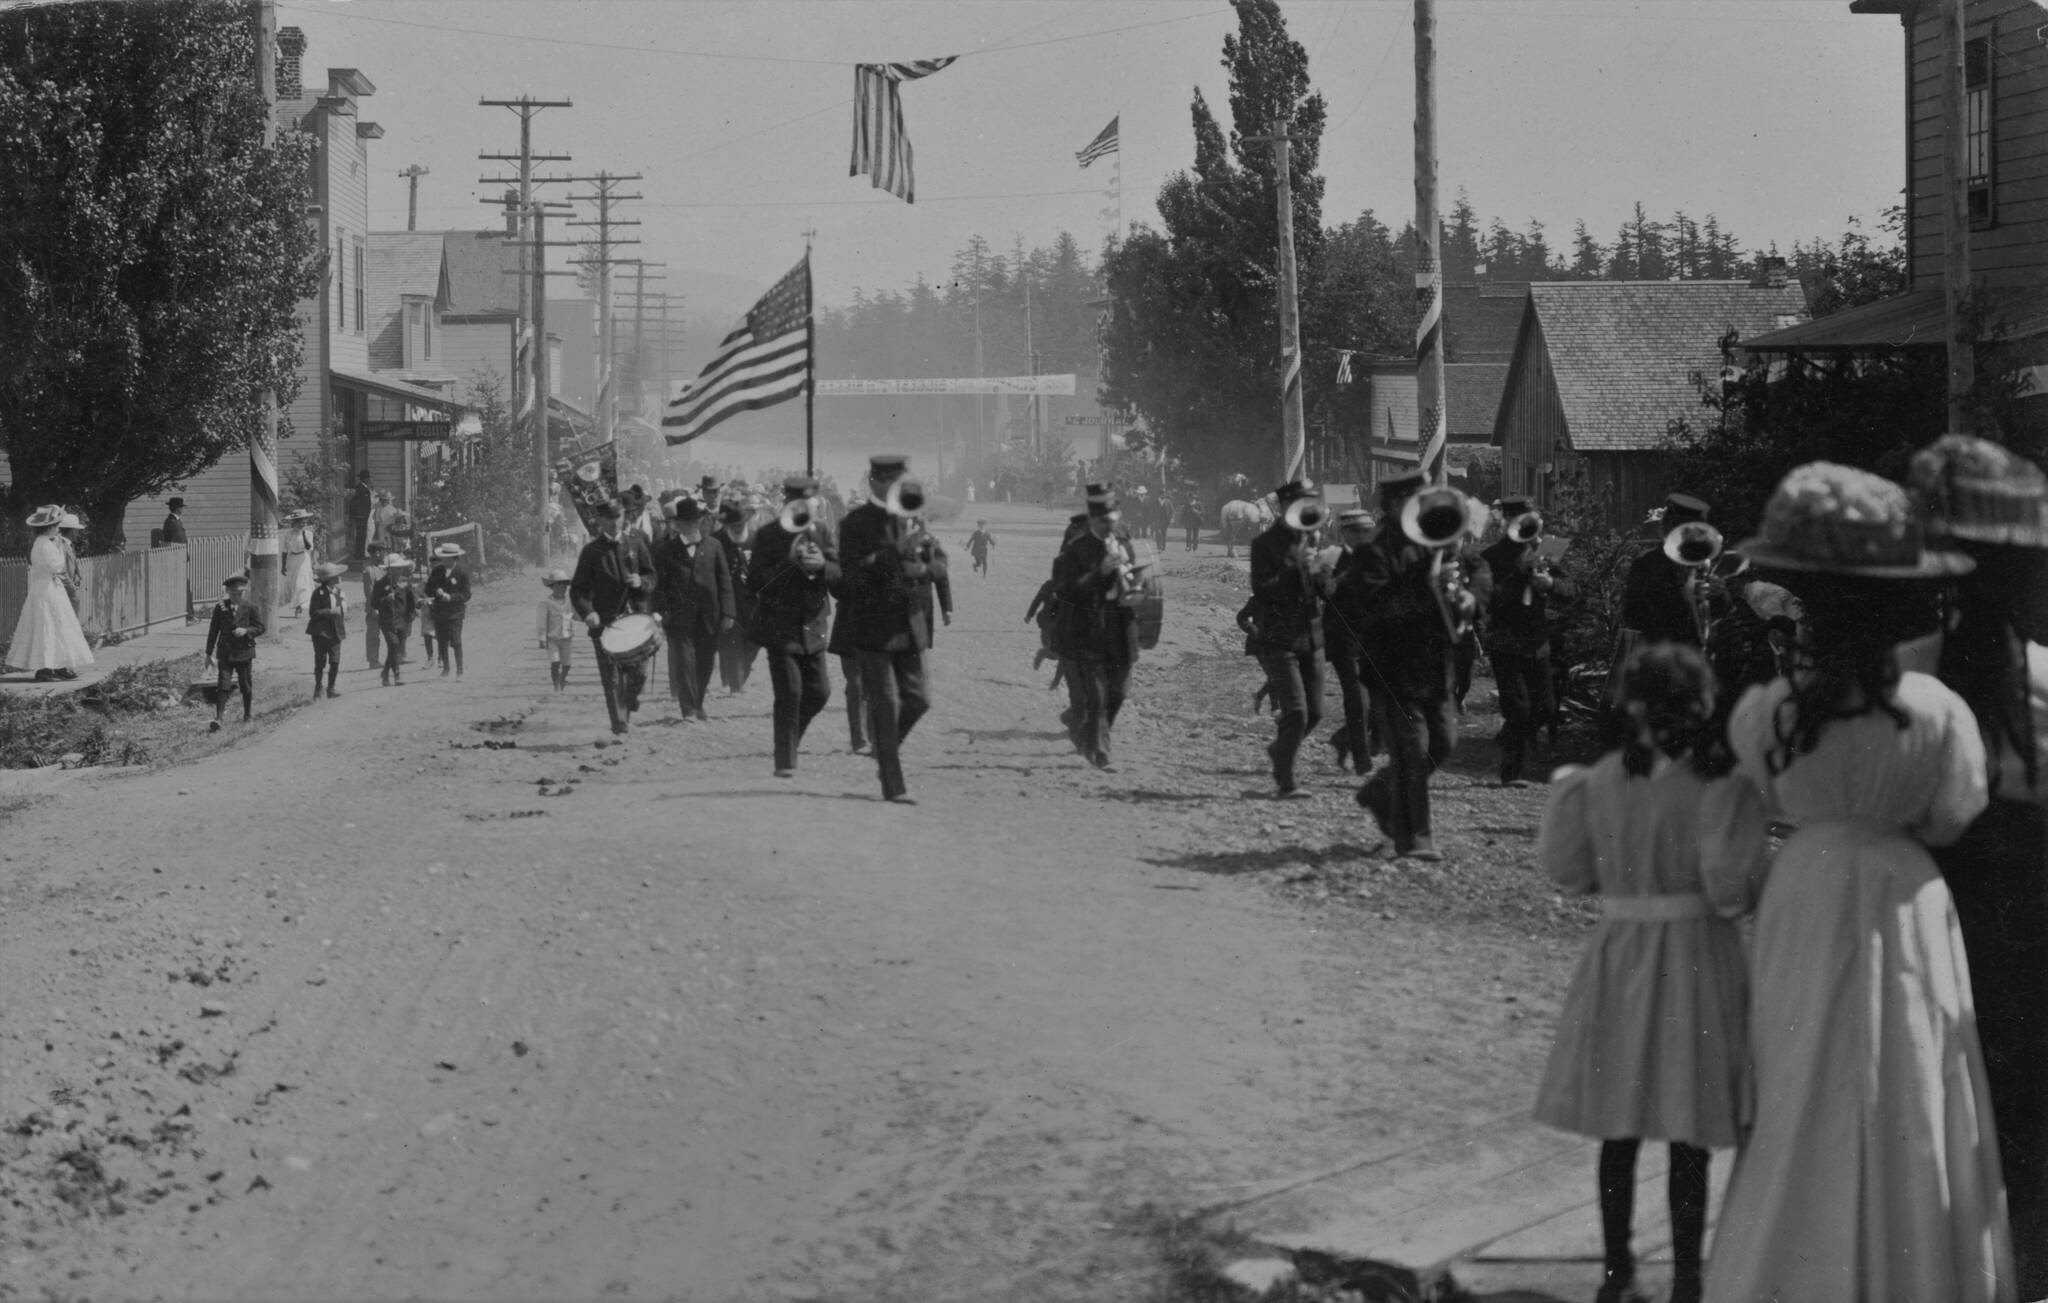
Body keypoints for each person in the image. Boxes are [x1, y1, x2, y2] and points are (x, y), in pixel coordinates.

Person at [1705, 461, 2010, 1303]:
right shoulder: (1934, 709)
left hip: (1806, 893)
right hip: (1904, 894)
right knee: (1908, 1073)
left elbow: (1739, 824)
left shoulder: (1769, 709)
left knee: (1805, 1080)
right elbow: (1954, 813)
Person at [1534, 643, 1767, 1303]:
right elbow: (1729, 891)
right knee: (1688, 1122)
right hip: (1694, 955)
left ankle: (1617, 1270)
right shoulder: (1719, 787)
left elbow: (1568, 873)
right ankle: (1688, 1279)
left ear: (1629, 705)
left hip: (1619, 954)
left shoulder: (1596, 780)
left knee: (1621, 1120)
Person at [1906, 433, 2048, 1295]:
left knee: (1946, 1105)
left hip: (1933, 910)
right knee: (2028, 1107)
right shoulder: (2036, 677)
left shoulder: (1904, 681)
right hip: (2029, 913)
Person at [1341, 470, 1469, 860]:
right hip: (1393, 669)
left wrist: (1466, 597)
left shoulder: (1437, 538)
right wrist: (1426, 591)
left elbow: (1476, 570)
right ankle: (1414, 839)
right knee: (1413, 752)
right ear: (1395, 505)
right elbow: (1373, 607)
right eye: (1416, 498)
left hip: (1434, 666)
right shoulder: (1374, 550)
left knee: (1444, 745)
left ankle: (1379, 792)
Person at [834, 454, 943, 804]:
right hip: (872, 625)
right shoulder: (856, 523)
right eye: (890, 480)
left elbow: (938, 561)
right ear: (874, 481)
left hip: (909, 623)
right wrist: (890, 557)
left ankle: (884, 750)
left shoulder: (914, 517)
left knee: (919, 700)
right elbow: (847, 578)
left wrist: (925, 566)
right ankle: (893, 785)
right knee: (884, 702)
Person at [747, 475, 840, 777]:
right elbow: (757, 583)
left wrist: (822, 567)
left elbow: (841, 581)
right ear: (788, 504)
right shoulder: (768, 536)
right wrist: (790, 562)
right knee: (790, 693)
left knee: (820, 692)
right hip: (780, 627)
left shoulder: (823, 533)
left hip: (813, 627)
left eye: (812, 507)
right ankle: (785, 761)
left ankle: (789, 739)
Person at [1482, 496, 1575, 786]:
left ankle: (1508, 735)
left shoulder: (1545, 551)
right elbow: (1489, 599)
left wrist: (1551, 585)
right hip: (1505, 642)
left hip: (1537, 642)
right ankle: (1511, 772)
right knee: (1518, 709)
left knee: (1546, 708)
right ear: (1506, 522)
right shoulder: (1491, 557)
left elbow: (1571, 590)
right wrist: (1519, 579)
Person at [1247, 479, 1330, 798]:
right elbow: (1261, 590)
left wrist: (1320, 570)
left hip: (1312, 637)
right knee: (1296, 711)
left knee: (1317, 713)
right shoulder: (1264, 544)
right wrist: (1293, 570)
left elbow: (1325, 592)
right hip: (1279, 637)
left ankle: (1280, 749)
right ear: (1283, 507)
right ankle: (1285, 779)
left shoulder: (1312, 539)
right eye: (1299, 504)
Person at [1052, 486, 1141, 770]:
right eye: (1104, 522)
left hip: (1120, 629)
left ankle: (1089, 732)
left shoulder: (1124, 545)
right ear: (1092, 519)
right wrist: (1099, 572)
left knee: (1120, 692)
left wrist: (1134, 582)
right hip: (1089, 631)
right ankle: (1101, 751)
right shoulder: (1076, 550)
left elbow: (1137, 584)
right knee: (1098, 695)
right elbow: (1065, 591)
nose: (1110, 527)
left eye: (1114, 521)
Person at [570, 499, 658, 737]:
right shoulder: (591, 551)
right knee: (612, 678)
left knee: (638, 673)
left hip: (637, 621)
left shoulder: (636, 543)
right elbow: (578, 590)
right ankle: (619, 723)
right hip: (606, 623)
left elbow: (652, 575)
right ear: (599, 520)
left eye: (617, 516)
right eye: (608, 517)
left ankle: (629, 702)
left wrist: (643, 582)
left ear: (623, 517)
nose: (613, 522)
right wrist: (589, 612)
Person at [650, 496, 732, 721]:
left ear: (700, 522)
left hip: (709, 615)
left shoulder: (714, 546)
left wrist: (728, 613)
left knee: (705, 661)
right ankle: (688, 709)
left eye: (693, 523)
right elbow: (659, 586)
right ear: (677, 525)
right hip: (678, 617)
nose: (689, 527)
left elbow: (724, 581)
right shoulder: (666, 550)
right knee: (685, 661)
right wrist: (660, 611)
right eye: (684, 523)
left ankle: (698, 703)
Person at [5, 505, 94, 682]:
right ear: (49, 527)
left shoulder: (47, 542)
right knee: (47, 626)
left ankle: (60, 665)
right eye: (56, 526)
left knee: (60, 626)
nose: (58, 529)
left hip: (52, 588)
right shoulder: (44, 544)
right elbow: (57, 566)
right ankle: (45, 668)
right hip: (46, 590)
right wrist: (60, 548)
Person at [1620, 493, 1719, 651]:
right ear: (1669, 528)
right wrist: (1682, 597)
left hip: (1697, 655)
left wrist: (1719, 593)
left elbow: (1721, 610)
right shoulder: (1646, 565)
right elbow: (1632, 616)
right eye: (1687, 530)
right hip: (1662, 656)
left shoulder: (1700, 562)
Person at [1322, 507, 1375, 776]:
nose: (1364, 536)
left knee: (1382, 704)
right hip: (1346, 642)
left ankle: (1343, 739)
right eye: (1358, 532)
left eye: (1367, 531)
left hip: (1377, 642)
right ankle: (1363, 761)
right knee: (1359, 701)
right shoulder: (1332, 558)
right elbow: (1324, 591)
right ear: (1345, 534)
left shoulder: (1380, 558)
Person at [203, 572, 265, 731]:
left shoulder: (250, 607)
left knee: (245, 685)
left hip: (244, 652)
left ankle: (248, 715)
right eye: (233, 594)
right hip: (225, 652)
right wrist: (208, 654)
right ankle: (219, 718)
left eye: (240, 594)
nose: (237, 597)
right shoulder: (220, 607)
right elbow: (213, 631)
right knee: (222, 685)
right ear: (228, 593)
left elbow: (260, 628)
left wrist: (245, 630)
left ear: (244, 593)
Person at [714, 502, 758, 694]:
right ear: (726, 526)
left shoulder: (756, 540)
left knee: (753, 643)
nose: (738, 528)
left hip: (753, 601)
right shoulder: (716, 542)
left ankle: (741, 674)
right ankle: (735, 684)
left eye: (741, 524)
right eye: (734, 526)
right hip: (727, 601)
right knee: (732, 642)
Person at [424, 542, 472, 679]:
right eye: (443, 558)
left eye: (447, 558)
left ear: (454, 558)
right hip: (439, 612)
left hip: (456, 612)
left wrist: (450, 597)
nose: (444, 561)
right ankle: (446, 669)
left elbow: (466, 594)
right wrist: (436, 591)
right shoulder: (437, 571)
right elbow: (428, 589)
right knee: (442, 641)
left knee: (456, 641)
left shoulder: (462, 572)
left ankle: (460, 671)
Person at [370, 554, 418, 688]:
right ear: (389, 570)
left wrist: (411, 614)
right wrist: (386, 599)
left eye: (401, 568)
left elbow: (411, 600)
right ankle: (397, 675)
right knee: (394, 645)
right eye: (396, 569)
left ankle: (385, 672)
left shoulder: (404, 582)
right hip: (387, 621)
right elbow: (374, 603)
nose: (399, 571)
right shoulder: (380, 584)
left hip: (402, 620)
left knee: (395, 649)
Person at [306, 561, 349, 699]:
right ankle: (318, 686)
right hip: (321, 632)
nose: (340, 577)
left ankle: (331, 687)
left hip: (336, 631)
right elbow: (313, 613)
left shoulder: (340, 593)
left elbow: (344, 610)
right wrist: (330, 611)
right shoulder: (318, 593)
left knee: (335, 660)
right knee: (320, 660)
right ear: (330, 579)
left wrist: (341, 610)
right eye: (337, 575)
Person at [536, 569, 577, 693]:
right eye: (559, 585)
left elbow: (576, 615)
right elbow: (541, 622)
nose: (562, 587)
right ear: (552, 587)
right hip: (552, 638)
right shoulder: (546, 603)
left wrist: (588, 618)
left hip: (567, 637)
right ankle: (556, 686)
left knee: (567, 664)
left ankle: (562, 679)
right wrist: (542, 638)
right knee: (555, 661)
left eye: (564, 584)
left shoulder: (569, 602)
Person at [280, 510, 316, 616]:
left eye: (304, 522)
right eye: (300, 522)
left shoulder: (308, 534)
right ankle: (297, 604)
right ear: (294, 522)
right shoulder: (288, 534)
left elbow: (309, 547)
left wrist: (304, 535)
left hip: (303, 559)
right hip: (292, 559)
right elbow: (284, 550)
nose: (302, 524)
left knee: (302, 583)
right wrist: (283, 566)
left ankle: (300, 606)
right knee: (293, 583)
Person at [56, 512, 84, 614]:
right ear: (72, 531)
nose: (78, 533)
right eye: (77, 530)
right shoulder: (61, 546)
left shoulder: (69, 545)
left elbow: (74, 567)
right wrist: (72, 588)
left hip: (69, 591)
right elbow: (61, 570)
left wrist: (77, 576)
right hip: (65, 592)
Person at [346, 472, 374, 559]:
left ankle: (361, 554)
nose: (369, 479)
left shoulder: (364, 488)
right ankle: (359, 555)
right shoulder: (360, 489)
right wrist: (358, 514)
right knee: (360, 536)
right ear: (364, 479)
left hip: (364, 515)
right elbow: (355, 503)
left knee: (362, 535)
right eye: (367, 478)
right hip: (361, 516)